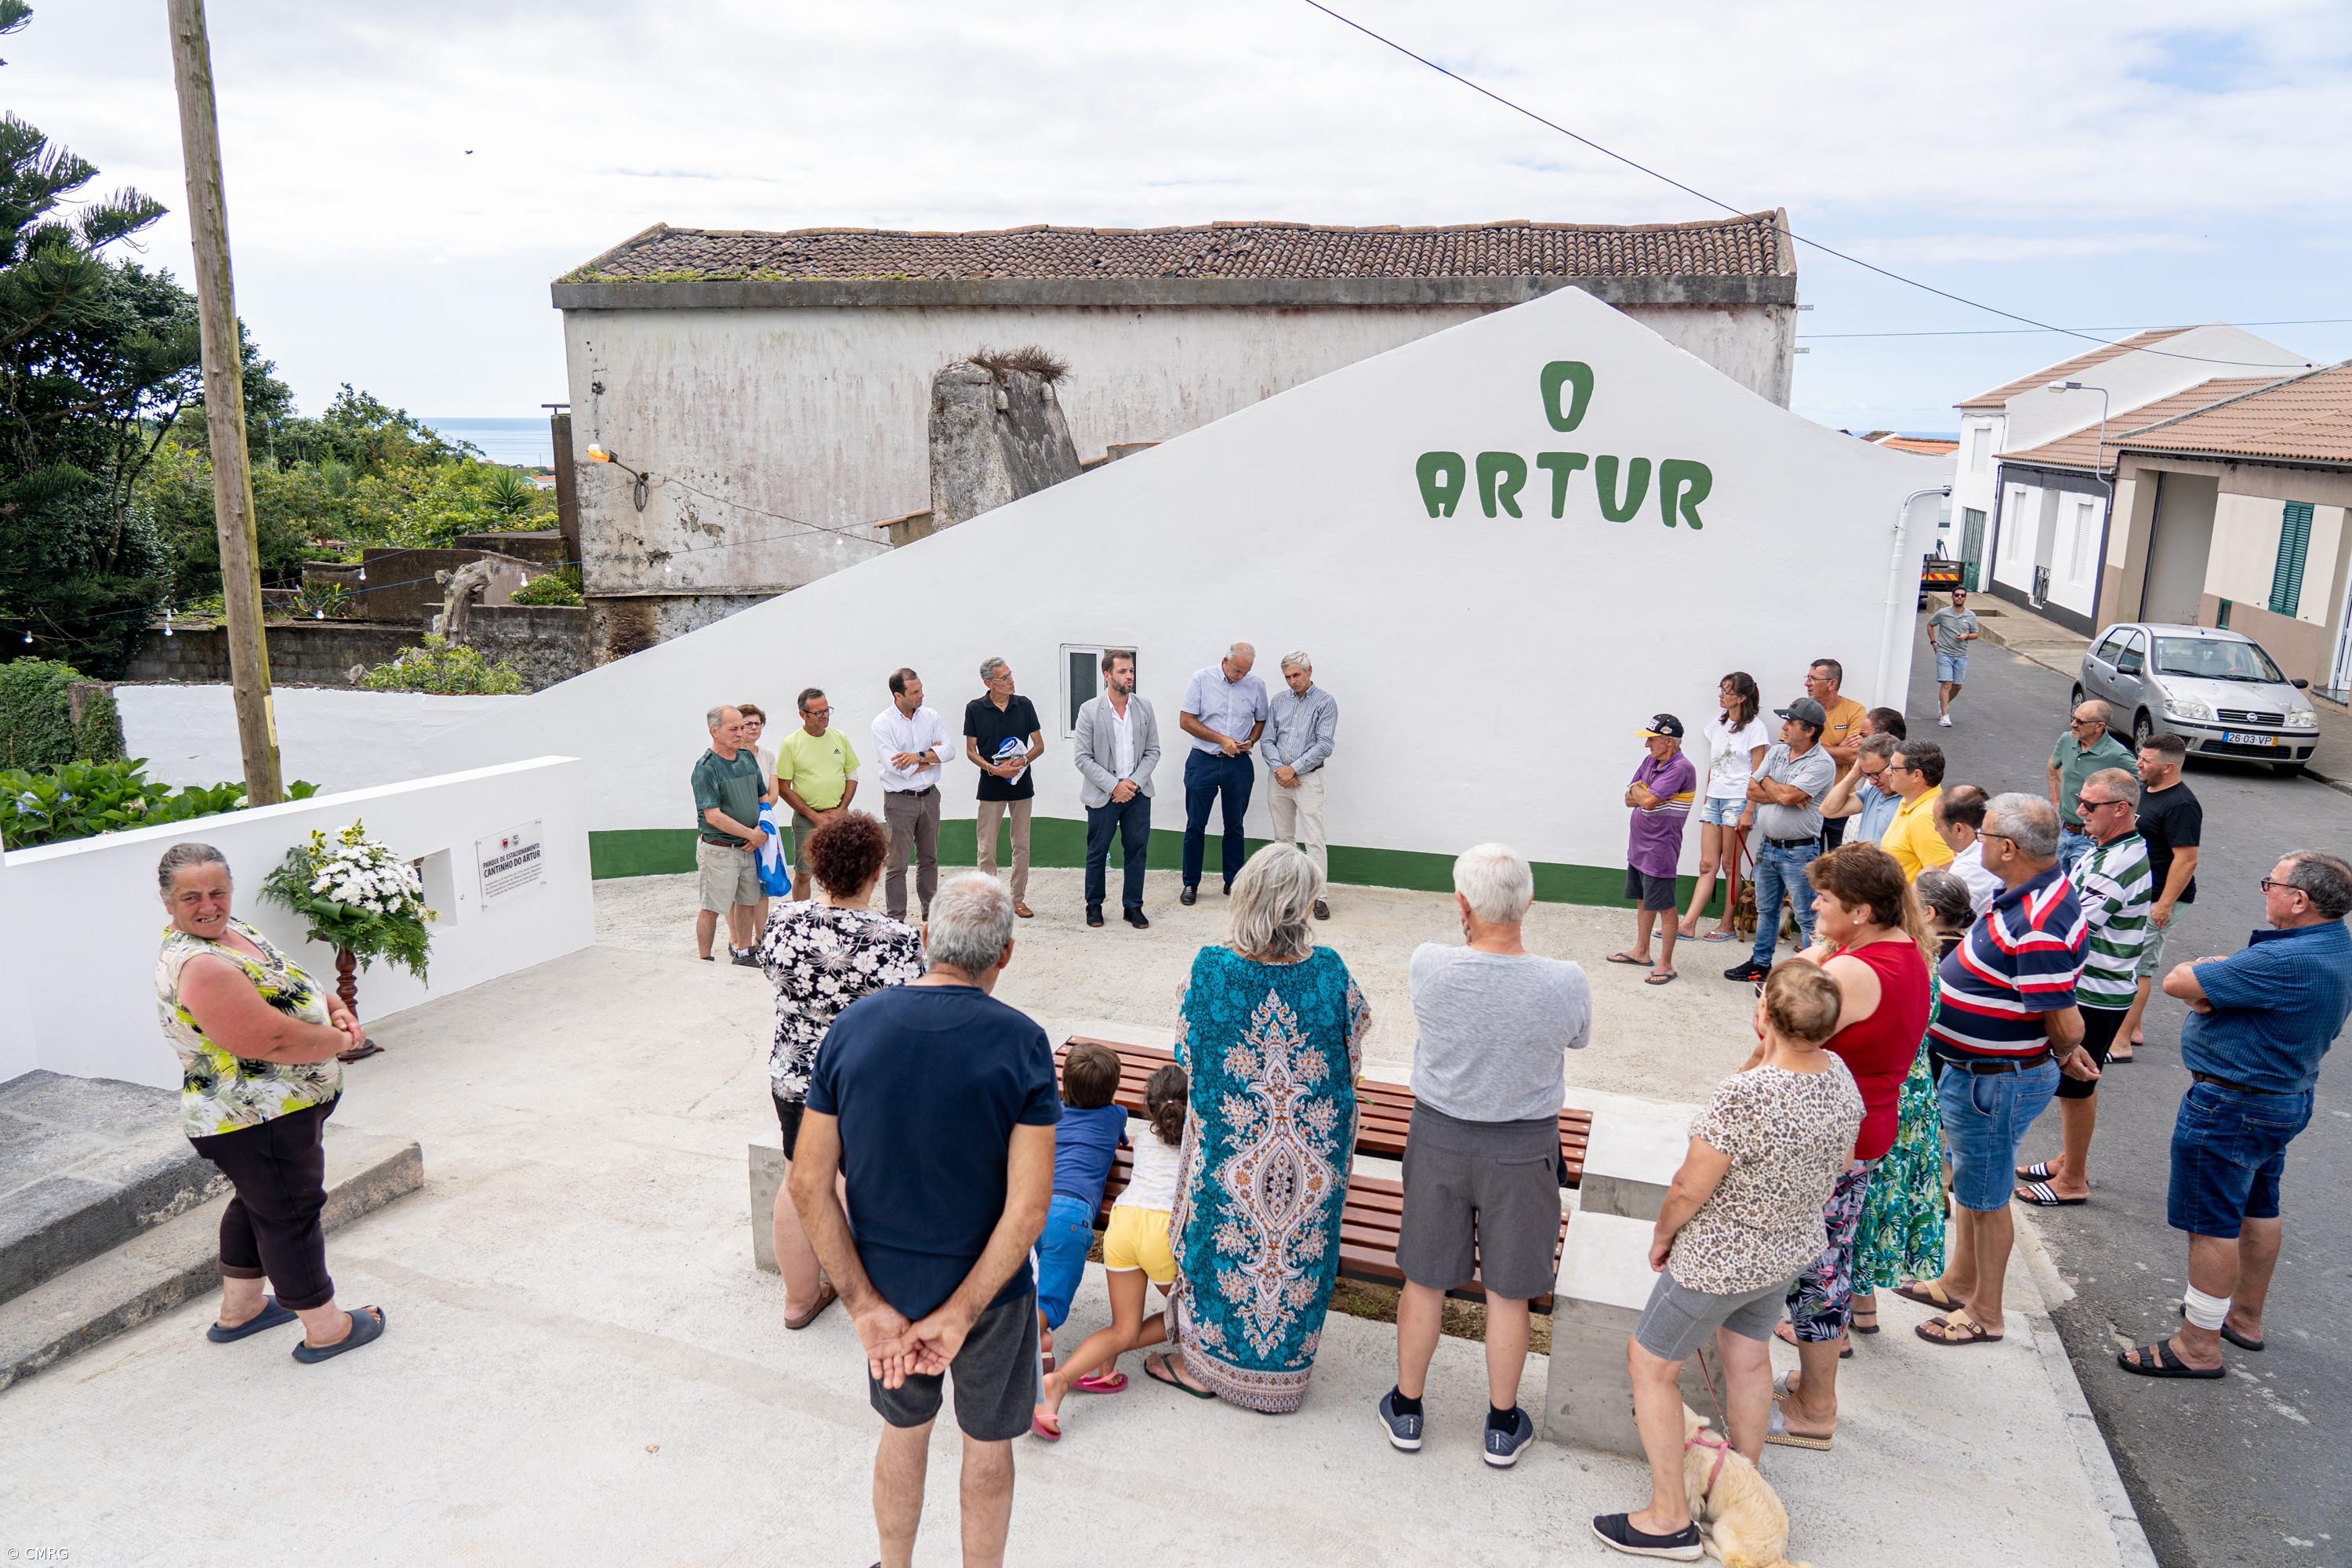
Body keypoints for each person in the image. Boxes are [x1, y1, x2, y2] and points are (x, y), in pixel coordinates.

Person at [790, 873, 1056, 1568]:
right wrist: (964, 1311)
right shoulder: (1023, 1043)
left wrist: (863, 1305)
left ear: (927, 937)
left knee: (903, 1434)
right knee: (988, 1445)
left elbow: (808, 1182)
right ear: (1005, 954)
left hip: (887, 1284)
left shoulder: (852, 1029)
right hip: (992, 1293)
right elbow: (1029, 1208)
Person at [1591, 961, 1861, 1561]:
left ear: (1764, 1014)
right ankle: (1743, 1479)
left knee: (1650, 1364)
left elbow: (1689, 1185)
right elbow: (1843, 1163)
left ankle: (1668, 1519)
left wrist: (1664, 1235)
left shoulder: (1745, 1095)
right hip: (1787, 1248)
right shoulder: (1840, 1076)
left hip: (1719, 1260)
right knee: (1749, 1358)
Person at [1381, 844, 1592, 1468]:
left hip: (1438, 1139)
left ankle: (1408, 1408)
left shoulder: (1429, 965)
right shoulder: (1565, 980)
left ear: (1463, 904)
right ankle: (1502, 1424)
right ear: (1529, 902)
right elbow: (1578, 1037)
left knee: (1424, 1280)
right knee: (1508, 1293)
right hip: (1523, 1149)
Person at [2117, 853, 2351, 1381]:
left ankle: (2198, 1345)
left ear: (2299, 900)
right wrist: (2216, 987)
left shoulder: (2284, 959)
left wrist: (2209, 981)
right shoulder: (2336, 945)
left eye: (2272, 883)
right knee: (2259, 1208)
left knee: (2211, 1225)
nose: (2265, 890)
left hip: (2232, 1105)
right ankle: (2244, 1317)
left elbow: (2179, 981)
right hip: (2282, 1096)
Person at [1156, 843, 1370, 1410]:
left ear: (1246, 896)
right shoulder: (1331, 971)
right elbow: (1354, 1050)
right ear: (1303, 905)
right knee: (1296, 1255)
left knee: (1223, 1238)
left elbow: (1186, 1055)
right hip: (1307, 1169)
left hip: (1235, 1159)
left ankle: (1208, 1368)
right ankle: (1285, 1373)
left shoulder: (1211, 968)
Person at [153, 842, 384, 1362]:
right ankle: (326, 1328)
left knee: (259, 1202)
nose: (208, 905)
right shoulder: (201, 964)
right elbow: (268, 1040)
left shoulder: (233, 932)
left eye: (218, 891)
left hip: (274, 1112)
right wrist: (341, 1041)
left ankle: (242, 1310)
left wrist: (333, 1006)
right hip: (255, 1118)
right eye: (191, 897)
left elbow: (290, 981)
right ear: (168, 902)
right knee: (290, 1214)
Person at [1903, 794, 2096, 1348]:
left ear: (2008, 848)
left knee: (1987, 1199)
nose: (1975, 841)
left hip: (1995, 1078)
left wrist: (2067, 1050)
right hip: (1980, 1072)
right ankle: (1959, 1282)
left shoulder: (2037, 921)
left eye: (1984, 835)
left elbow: (2063, 1018)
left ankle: (1987, 1312)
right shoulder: (2027, 894)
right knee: (1972, 1186)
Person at [1762, 844, 1933, 1451]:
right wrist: (1817, 952)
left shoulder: (1855, 972)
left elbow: (1779, 1028)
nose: (1813, 906)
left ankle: (1815, 1408)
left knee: (1817, 1274)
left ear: (1861, 911)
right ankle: (1813, 1390)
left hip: (1829, 1139)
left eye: (1825, 900)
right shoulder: (1900, 949)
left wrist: (1805, 962)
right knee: (1826, 1262)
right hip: (1861, 1129)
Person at [757, 811, 924, 1332]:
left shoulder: (784, 921)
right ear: (878, 869)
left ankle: (799, 1301)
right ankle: (873, 1300)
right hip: (865, 1087)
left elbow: (771, 972)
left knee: (799, 1180)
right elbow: (917, 1011)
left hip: (795, 1079)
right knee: (866, 1185)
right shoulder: (897, 940)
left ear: (819, 867)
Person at [2016, 769, 2151, 1207]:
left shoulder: (2119, 862)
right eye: (2081, 801)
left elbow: (2074, 924)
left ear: (2121, 809)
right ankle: (2068, 1159)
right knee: (2071, 1085)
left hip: (2095, 991)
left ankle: (2073, 1179)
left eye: (2090, 805)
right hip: (2092, 986)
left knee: (2078, 1084)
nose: (2080, 810)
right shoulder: (2107, 847)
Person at [1033, 1064, 1190, 1439]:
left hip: (1122, 1226)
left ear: (1149, 1107)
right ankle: (1103, 1358)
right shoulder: (1199, 1144)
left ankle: (1063, 1381)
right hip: (1161, 1234)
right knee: (1195, 1318)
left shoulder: (1143, 1137)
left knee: (1123, 1328)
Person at [1844, 869, 1965, 1337]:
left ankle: (1833, 1324)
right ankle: (1863, 1307)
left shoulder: (1878, 960)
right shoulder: (1923, 959)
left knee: (1857, 1200)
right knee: (1883, 1198)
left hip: (1881, 1089)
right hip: (1915, 1092)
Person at [1723, 697, 1837, 985]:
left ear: (1809, 730)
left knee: (1807, 916)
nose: (1784, 727)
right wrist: (1783, 792)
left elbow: (1785, 796)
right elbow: (1752, 789)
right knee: (1766, 910)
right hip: (1768, 846)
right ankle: (1760, 964)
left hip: (1800, 851)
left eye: (1790, 723)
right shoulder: (1777, 751)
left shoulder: (1822, 764)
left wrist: (1774, 787)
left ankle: (1810, 976)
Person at [1031, 1041, 1127, 1374]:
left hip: (1033, 1206)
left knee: (1025, 1281)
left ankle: (1035, 1339)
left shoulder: (1049, 1114)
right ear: (1112, 1090)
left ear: (1064, 1085)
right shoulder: (1116, 1115)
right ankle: (1024, 1336)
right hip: (1071, 1217)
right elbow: (1120, 1141)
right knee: (1050, 1295)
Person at [2118, 734, 2201, 1060]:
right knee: (2131, 962)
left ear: (2168, 767)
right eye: (2139, 757)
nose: (2138, 763)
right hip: (2138, 895)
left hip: (2160, 899)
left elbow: (2187, 860)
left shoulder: (2181, 805)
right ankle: (2133, 1030)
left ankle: (2121, 1043)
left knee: (2137, 968)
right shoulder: (2145, 790)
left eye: (2146, 760)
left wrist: (2164, 905)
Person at [1177, 641, 1269, 905]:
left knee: (1235, 825)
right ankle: (1190, 883)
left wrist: (1251, 740)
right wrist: (1221, 739)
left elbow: (1261, 719)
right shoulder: (1201, 679)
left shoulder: (1256, 685)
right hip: (1203, 761)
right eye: (1237, 670)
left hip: (1238, 764)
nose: (1241, 676)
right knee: (1195, 825)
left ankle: (1233, 881)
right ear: (1225, 661)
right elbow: (1186, 721)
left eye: (1245, 672)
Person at [1072, 649, 1159, 930]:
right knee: (1097, 851)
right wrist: (1114, 787)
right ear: (1107, 675)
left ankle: (1133, 907)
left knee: (1137, 850)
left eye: (1131, 670)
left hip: (1137, 793)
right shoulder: (1089, 710)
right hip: (1103, 794)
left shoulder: (1144, 707)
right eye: (1123, 671)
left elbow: (1153, 751)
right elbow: (1082, 758)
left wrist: (1133, 783)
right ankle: (1094, 905)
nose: (1129, 676)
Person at [1681, 672, 1767, 946]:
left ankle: (1728, 924)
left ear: (1742, 697)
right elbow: (1714, 765)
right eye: (1721, 689)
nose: (1721, 695)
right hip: (1715, 799)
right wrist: (1707, 797)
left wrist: (1749, 809)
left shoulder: (1755, 728)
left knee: (1731, 864)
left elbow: (1758, 772)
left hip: (1738, 800)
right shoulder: (1717, 725)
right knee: (1707, 864)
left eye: (1727, 691)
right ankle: (1687, 924)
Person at [1613, 715, 1696, 985]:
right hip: (1639, 844)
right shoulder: (1651, 761)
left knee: (1665, 905)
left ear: (1669, 741)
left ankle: (1666, 964)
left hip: (1661, 847)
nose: (1647, 744)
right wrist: (1640, 792)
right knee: (1642, 898)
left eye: (1652, 739)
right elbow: (1629, 799)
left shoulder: (1681, 768)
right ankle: (1641, 951)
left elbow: (1646, 801)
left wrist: (1640, 791)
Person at [964, 658, 1044, 920]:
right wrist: (994, 769)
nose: (1011, 681)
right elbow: (970, 750)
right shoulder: (975, 708)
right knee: (986, 848)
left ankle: (1017, 900)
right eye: (1004, 678)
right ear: (988, 683)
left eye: (1011, 675)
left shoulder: (1024, 705)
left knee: (1021, 846)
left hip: (1021, 786)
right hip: (990, 786)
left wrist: (1023, 762)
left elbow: (1039, 745)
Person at [1261, 650, 1339, 921]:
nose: (1292, 681)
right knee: (1283, 839)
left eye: (1296, 675)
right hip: (1278, 779)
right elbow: (1267, 739)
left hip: (1308, 779)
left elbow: (1324, 744)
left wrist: (1293, 769)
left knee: (1314, 839)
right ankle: (1287, 895)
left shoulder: (1325, 702)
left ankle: (1318, 897)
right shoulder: (1279, 701)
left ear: (1309, 671)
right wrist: (1280, 770)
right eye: (1287, 677)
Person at [692, 702, 773, 965]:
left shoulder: (747, 758)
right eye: (733, 729)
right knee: (712, 907)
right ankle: (704, 959)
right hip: (720, 850)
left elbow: (762, 797)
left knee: (747, 901)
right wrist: (752, 834)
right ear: (714, 731)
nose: (740, 733)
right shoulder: (706, 768)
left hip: (750, 846)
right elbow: (713, 816)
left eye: (742, 727)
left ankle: (743, 953)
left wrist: (760, 829)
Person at [873, 668, 952, 924]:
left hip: (930, 798)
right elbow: (896, 767)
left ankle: (931, 913)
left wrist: (918, 756)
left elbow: (949, 751)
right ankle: (896, 919)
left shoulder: (931, 716)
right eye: (915, 691)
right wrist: (932, 758)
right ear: (898, 695)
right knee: (897, 864)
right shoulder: (883, 723)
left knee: (930, 859)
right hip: (899, 801)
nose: (922, 695)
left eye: (921, 689)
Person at [777, 688, 861, 903]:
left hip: (839, 817)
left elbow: (852, 775)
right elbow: (783, 787)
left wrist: (841, 810)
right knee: (804, 874)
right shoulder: (791, 743)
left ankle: (839, 914)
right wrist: (813, 816)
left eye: (827, 710)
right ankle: (801, 916)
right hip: (807, 819)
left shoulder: (839, 737)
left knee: (842, 870)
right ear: (803, 714)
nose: (825, 716)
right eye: (818, 712)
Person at [2048, 699, 2132, 877]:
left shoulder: (2117, 754)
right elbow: (2053, 768)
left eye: (2080, 722)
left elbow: (2140, 787)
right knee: (2053, 886)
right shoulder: (2066, 740)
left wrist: (2114, 825)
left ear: (2099, 726)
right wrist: (2056, 802)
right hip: (2062, 833)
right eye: (2074, 718)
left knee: (2080, 890)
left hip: (2090, 841)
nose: (2073, 724)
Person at [1803, 660, 1868, 848]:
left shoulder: (1855, 710)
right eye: (1808, 678)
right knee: (1810, 861)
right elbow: (1791, 749)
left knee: (1840, 859)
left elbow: (1854, 756)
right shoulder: (1801, 709)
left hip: (1842, 801)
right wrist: (1840, 748)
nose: (1807, 683)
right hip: (1808, 801)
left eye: (1813, 679)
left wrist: (1810, 748)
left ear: (1832, 684)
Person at [1880, 740, 1955, 880]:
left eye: (1894, 768)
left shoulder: (1924, 818)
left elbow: (1943, 877)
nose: (1887, 772)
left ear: (1916, 775)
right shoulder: (1909, 800)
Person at [1818, 734, 1900, 851]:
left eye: (1876, 774)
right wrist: (1855, 773)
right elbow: (1828, 810)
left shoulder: (1909, 799)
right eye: (1866, 774)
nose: (1872, 782)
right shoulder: (1873, 791)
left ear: (1894, 765)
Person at [739, 702, 778, 935]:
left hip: (763, 824)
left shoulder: (768, 756)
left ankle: (762, 938)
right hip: (738, 827)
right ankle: (736, 940)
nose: (754, 728)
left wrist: (759, 825)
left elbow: (773, 795)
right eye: (748, 724)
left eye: (758, 723)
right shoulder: (731, 756)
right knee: (738, 889)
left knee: (763, 884)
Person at [1935, 783, 2002, 914]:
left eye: (1938, 825)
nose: (1935, 829)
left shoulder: (1967, 870)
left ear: (1959, 829)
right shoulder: (1993, 844)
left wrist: (1924, 883)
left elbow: (1944, 919)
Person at [1926, 586, 1980, 727]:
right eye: (1957, 595)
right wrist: (1934, 643)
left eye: (1962, 595)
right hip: (1944, 653)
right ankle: (1944, 716)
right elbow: (1930, 625)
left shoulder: (1970, 616)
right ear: (1952, 597)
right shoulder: (1943, 613)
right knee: (1947, 683)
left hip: (1961, 655)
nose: (1959, 597)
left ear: (1965, 598)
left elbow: (1976, 634)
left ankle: (1943, 704)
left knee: (1958, 686)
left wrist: (1966, 636)